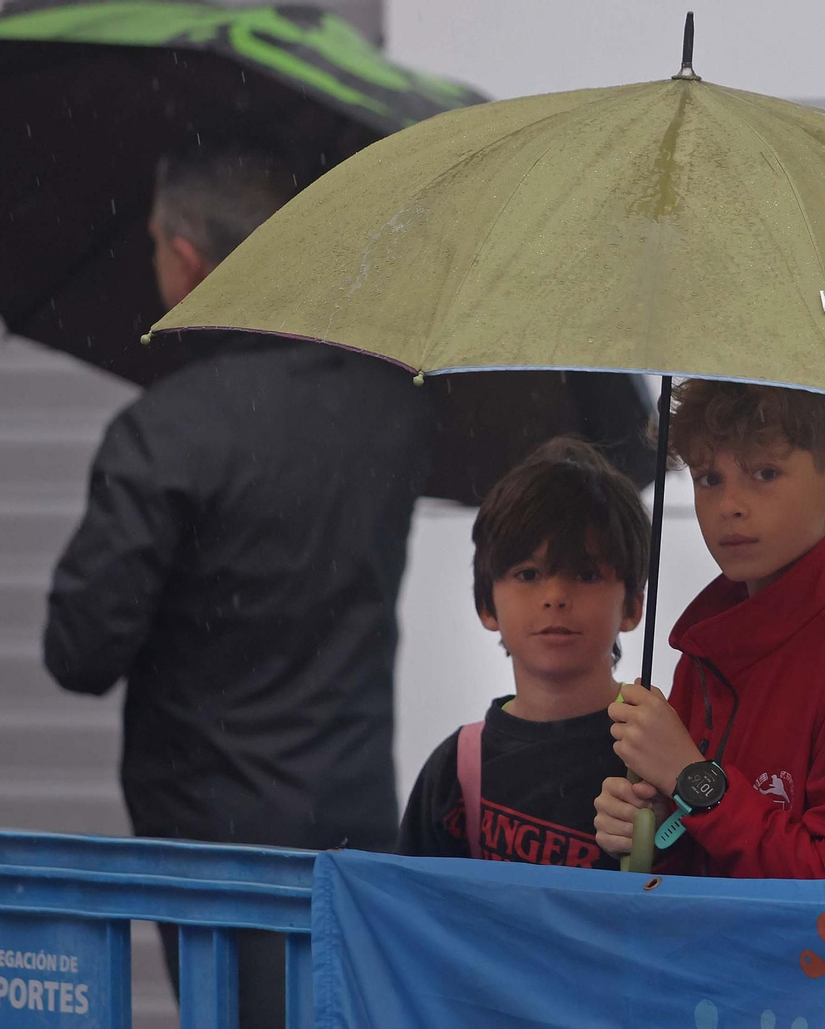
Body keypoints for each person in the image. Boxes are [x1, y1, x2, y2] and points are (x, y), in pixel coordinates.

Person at [42, 146, 435, 1024]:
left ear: (187, 259)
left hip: (209, 848)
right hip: (353, 819)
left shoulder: (166, 434)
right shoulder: (390, 406)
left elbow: (79, 650)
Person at [592, 380, 825, 878]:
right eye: (709, 479)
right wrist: (656, 829)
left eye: (765, 473)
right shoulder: (703, 651)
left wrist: (694, 780)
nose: (730, 504)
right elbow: (703, 855)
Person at [399, 438, 647, 866]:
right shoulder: (457, 772)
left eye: (586, 574)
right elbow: (410, 919)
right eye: (528, 574)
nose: (555, 596)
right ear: (486, 605)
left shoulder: (657, 748)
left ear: (632, 607)